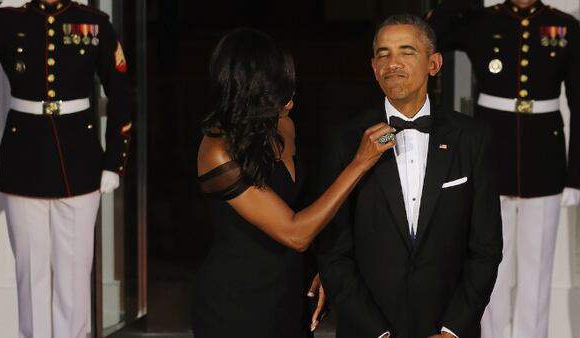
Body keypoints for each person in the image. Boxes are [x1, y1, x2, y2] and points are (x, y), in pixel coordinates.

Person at [192, 27, 395, 338]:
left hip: (290, 294)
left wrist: (322, 268)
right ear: (250, 88)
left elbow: (311, 209)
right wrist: (360, 163)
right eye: (279, 89)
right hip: (236, 306)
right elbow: (295, 232)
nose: (290, 99)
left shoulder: (282, 125)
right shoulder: (216, 150)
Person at [316, 14, 503, 338]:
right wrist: (377, 333)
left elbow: (486, 248)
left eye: (406, 51)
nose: (393, 63)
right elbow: (333, 252)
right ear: (373, 68)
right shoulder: (344, 141)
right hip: (369, 330)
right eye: (384, 54)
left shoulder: (472, 138)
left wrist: (452, 330)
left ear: (434, 63)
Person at [427, 1, 580, 337]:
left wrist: (575, 175)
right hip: (491, 154)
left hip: (544, 158)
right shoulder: (481, 20)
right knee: (487, 260)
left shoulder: (564, 26)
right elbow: (433, 33)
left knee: (537, 266)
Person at [0, 0, 132, 337]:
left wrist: (114, 162)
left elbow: (121, 95)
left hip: (80, 161)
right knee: (30, 273)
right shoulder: (7, 21)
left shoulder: (93, 23)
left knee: (74, 274)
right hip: (24, 160)